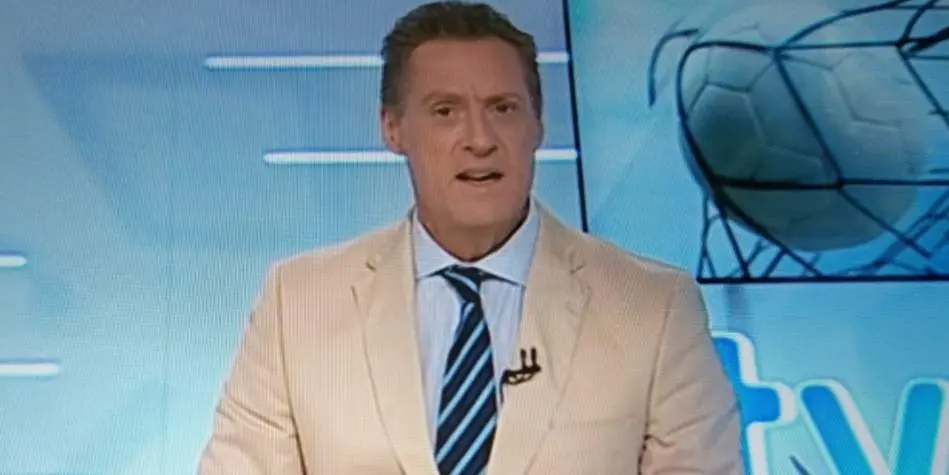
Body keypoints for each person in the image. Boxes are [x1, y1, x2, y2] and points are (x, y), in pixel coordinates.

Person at [197, 1, 744, 474]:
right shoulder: (299, 303)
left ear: (537, 124)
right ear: (392, 128)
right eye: (445, 112)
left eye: (503, 109)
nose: (480, 139)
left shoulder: (653, 309)